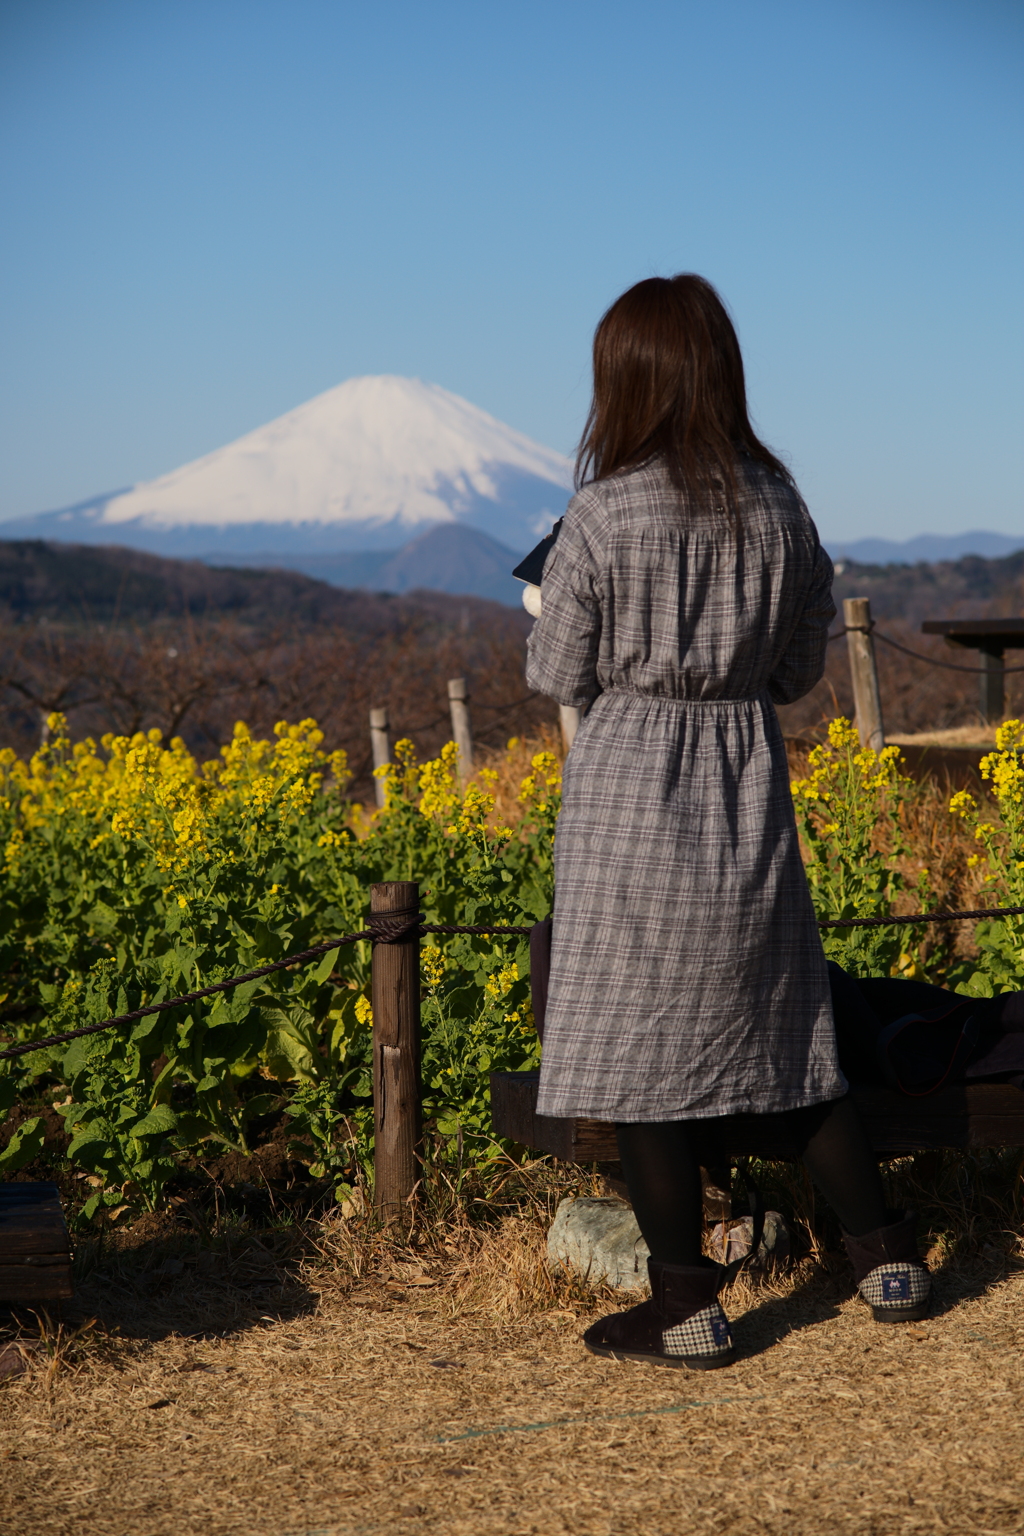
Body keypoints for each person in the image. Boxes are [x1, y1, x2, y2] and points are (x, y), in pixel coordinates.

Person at [524, 275, 931, 1370]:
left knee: (635, 1051)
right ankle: (886, 1255)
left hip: (629, 794)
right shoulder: (780, 503)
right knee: (790, 1033)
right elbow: (799, 667)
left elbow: (553, 667)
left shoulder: (602, 513)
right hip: (744, 782)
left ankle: (686, 1305)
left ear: (627, 377)